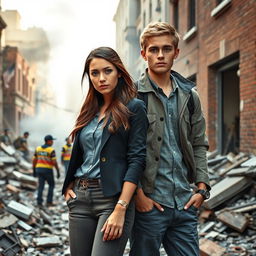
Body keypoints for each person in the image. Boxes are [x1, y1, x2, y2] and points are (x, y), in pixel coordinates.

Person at [129, 22, 211, 256]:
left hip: (184, 204)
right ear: (143, 54)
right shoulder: (132, 96)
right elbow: (123, 151)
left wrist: (202, 188)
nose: (160, 55)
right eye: (153, 50)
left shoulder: (190, 97)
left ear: (176, 52)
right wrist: (138, 196)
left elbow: (198, 143)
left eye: (166, 49)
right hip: (150, 206)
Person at [62, 46, 148, 256]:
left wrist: (121, 208)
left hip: (111, 199)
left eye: (107, 71)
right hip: (80, 199)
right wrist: (69, 186)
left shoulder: (134, 107)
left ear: (119, 71)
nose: (101, 78)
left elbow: (137, 160)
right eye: (94, 73)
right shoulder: (88, 110)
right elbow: (81, 154)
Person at [33, 134, 60, 207]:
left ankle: (39, 202)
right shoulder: (51, 150)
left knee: (41, 186)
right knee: (51, 185)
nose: (52, 142)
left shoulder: (38, 149)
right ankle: (49, 202)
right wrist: (57, 171)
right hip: (47, 170)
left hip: (39, 169)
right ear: (48, 141)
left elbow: (34, 160)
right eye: (52, 141)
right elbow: (54, 162)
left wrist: (34, 170)